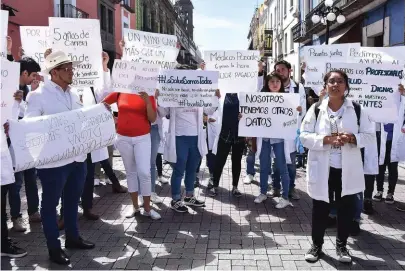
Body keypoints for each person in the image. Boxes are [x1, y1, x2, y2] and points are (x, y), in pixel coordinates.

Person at [23, 51, 96, 265]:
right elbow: (31, 125)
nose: (72, 72)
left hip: (76, 158)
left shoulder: (73, 94)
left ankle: (72, 238)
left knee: (73, 201)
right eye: (68, 69)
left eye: (72, 68)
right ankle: (54, 248)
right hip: (53, 161)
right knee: (50, 205)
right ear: (55, 72)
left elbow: (80, 118)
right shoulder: (38, 95)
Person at [300, 70, 374, 263]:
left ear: (346, 86)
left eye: (340, 81)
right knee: (320, 208)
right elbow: (304, 136)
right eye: (331, 81)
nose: (335, 84)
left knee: (346, 210)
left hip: (346, 169)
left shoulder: (357, 109)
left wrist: (351, 138)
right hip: (323, 167)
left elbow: (369, 135)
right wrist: (326, 139)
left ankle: (342, 246)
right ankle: (317, 246)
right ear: (325, 86)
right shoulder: (316, 109)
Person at [157, 64, 220, 212]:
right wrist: (159, 99)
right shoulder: (171, 92)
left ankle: (189, 196)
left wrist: (215, 97)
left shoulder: (197, 91)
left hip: (196, 137)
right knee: (179, 169)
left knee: (192, 169)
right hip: (179, 137)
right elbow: (162, 112)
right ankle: (176, 198)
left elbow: (208, 110)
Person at [103, 88, 161, 220]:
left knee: (144, 172)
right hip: (123, 138)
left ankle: (147, 209)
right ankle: (135, 206)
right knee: (131, 173)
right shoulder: (120, 91)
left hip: (142, 137)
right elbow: (102, 105)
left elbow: (152, 119)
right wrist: (113, 119)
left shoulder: (148, 92)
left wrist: (147, 102)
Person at [210, 61, 264, 196]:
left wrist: (259, 71)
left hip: (238, 133)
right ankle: (214, 185)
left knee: (237, 161)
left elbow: (256, 91)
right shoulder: (221, 93)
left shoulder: (243, 93)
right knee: (220, 160)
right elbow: (212, 107)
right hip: (224, 133)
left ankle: (235, 187)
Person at [7, 57, 42, 232]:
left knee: (30, 176)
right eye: (33, 74)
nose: (34, 78)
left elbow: (29, 114)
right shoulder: (7, 86)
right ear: (25, 73)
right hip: (12, 141)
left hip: (27, 139)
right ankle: (16, 217)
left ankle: (33, 211)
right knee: (16, 180)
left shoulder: (28, 89)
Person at [251, 72, 292, 209]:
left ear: (281, 84)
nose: (274, 84)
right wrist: (244, 117)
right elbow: (253, 114)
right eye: (271, 82)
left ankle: (285, 197)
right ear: (267, 84)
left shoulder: (288, 99)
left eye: (277, 82)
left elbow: (292, 118)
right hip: (265, 138)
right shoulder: (261, 99)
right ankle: (263, 192)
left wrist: (296, 110)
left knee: (282, 167)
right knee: (264, 166)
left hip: (279, 138)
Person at [272, 60, 306, 200]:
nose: (280, 72)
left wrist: (298, 111)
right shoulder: (272, 86)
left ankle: (291, 187)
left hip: (291, 131)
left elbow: (303, 109)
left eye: (282, 70)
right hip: (275, 130)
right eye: (277, 70)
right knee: (276, 162)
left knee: (291, 163)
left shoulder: (298, 88)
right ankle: (276, 187)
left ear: (289, 71)